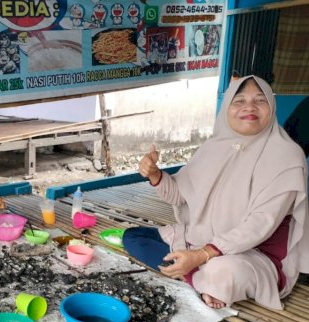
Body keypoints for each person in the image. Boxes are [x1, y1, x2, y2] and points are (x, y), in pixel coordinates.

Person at [122, 76, 309, 310]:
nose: (249, 107)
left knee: (223, 270)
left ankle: (196, 273)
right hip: (202, 239)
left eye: (259, 100)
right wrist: (155, 175)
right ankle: (196, 276)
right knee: (132, 236)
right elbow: (179, 195)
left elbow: (261, 224)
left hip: (253, 253)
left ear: (271, 107)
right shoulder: (213, 148)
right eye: (238, 100)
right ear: (227, 108)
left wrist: (203, 254)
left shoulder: (286, 155)